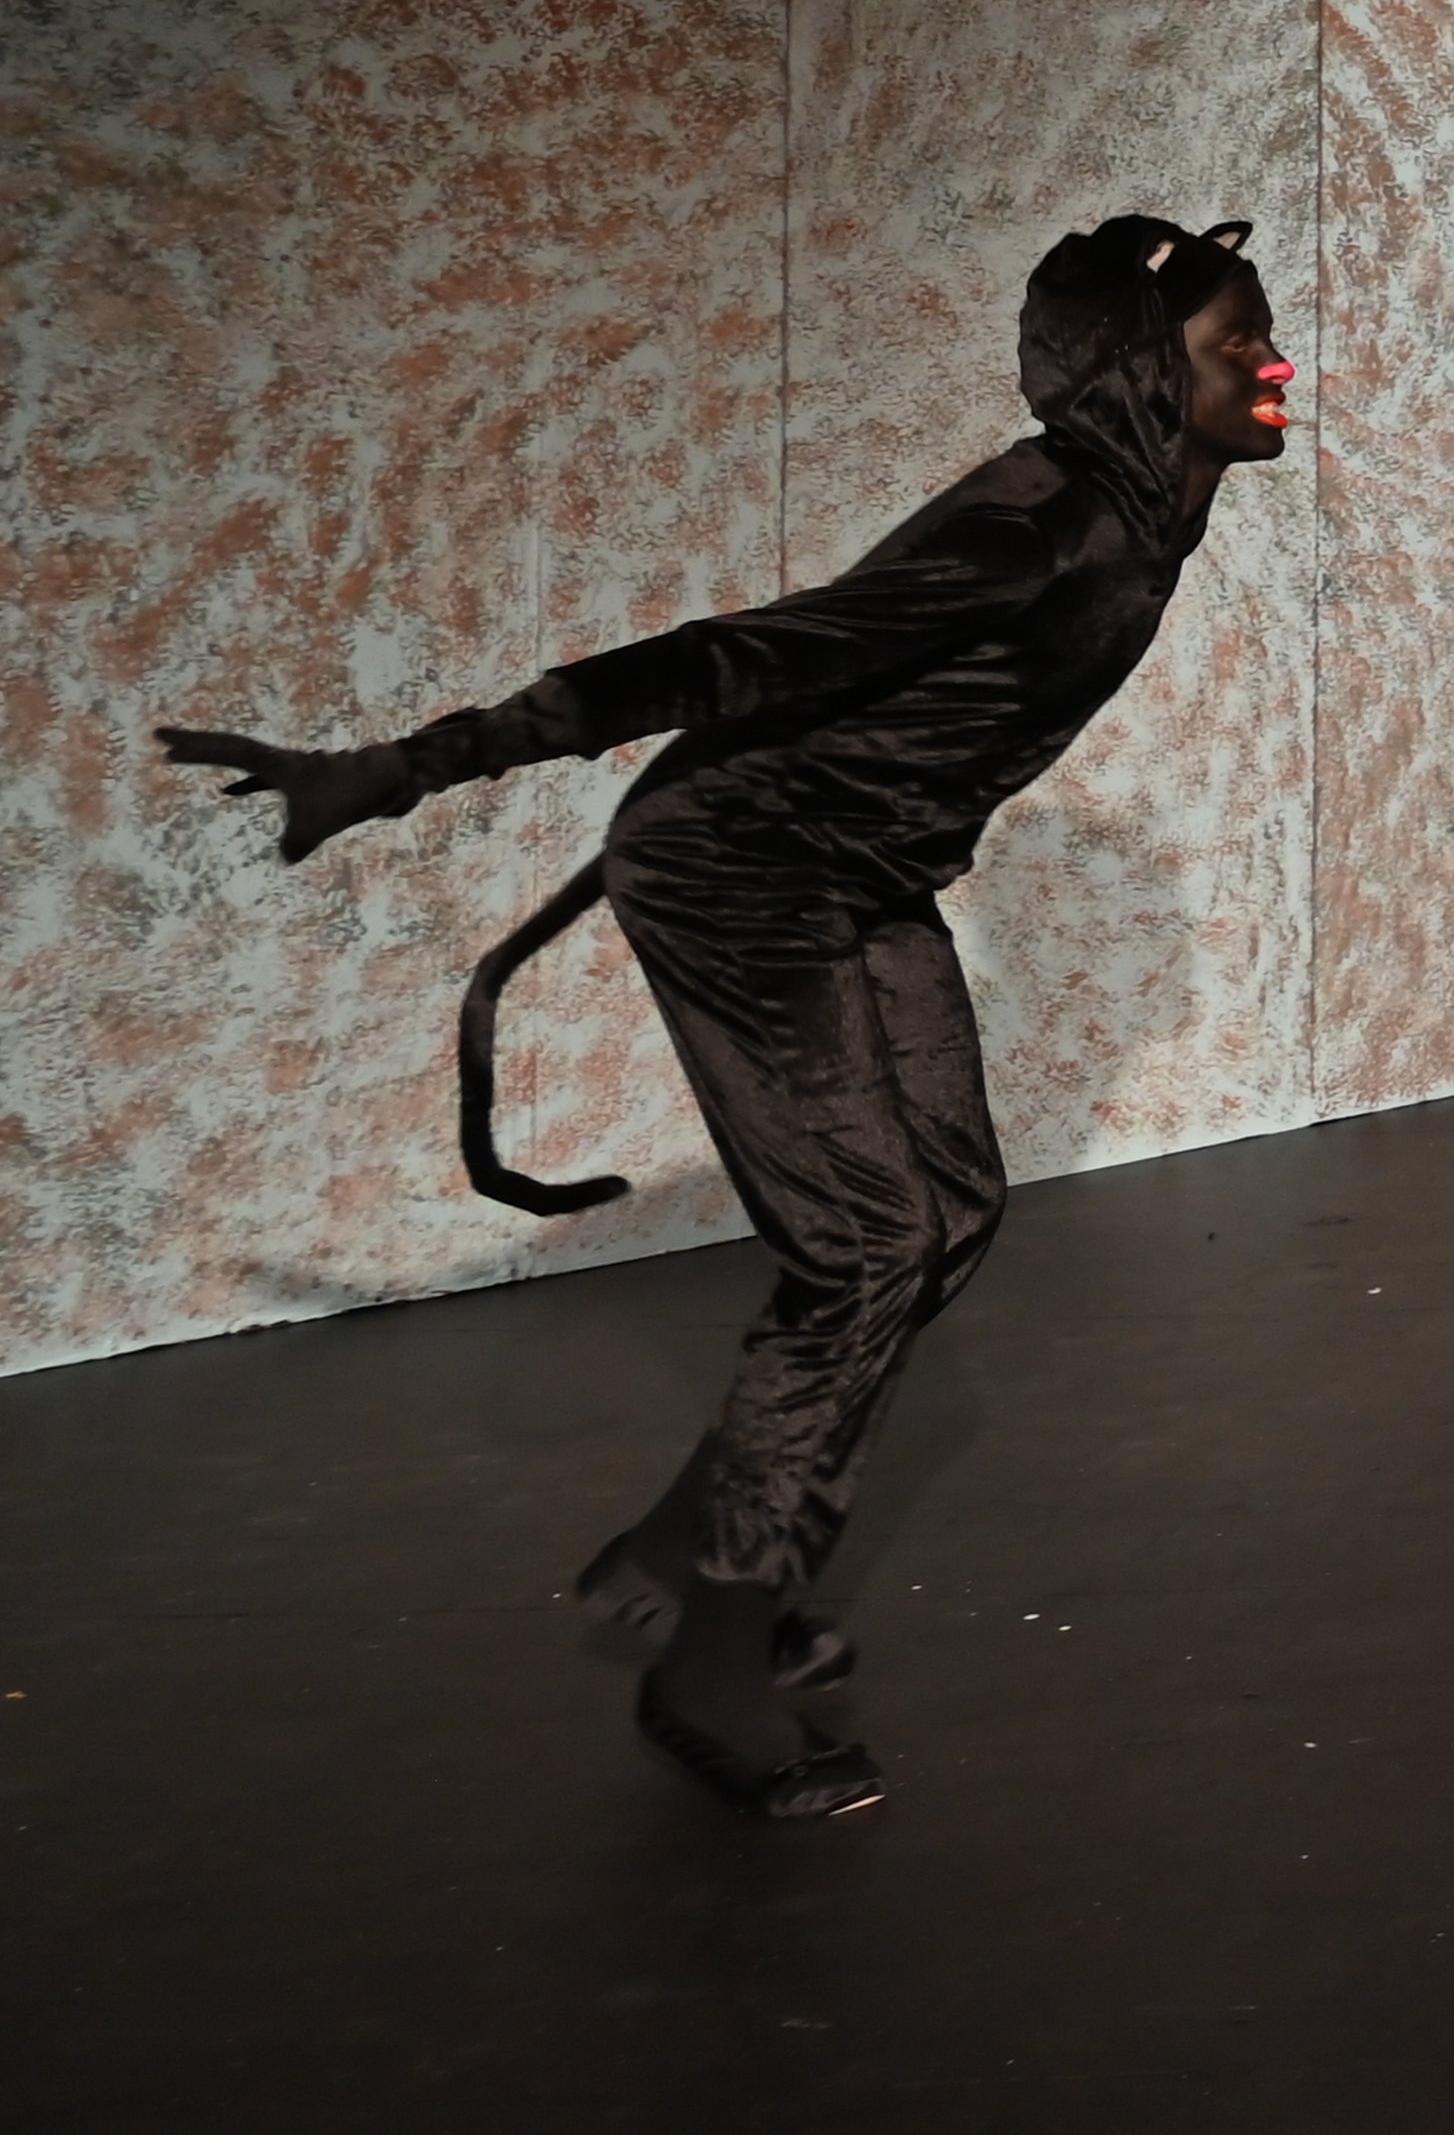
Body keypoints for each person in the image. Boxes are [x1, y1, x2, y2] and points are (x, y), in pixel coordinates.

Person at [157, 214, 1296, 1821]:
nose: (1270, 362)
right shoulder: (1038, 530)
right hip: (739, 868)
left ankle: (678, 1550)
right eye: (1234, 340)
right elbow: (728, 661)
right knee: (866, 1245)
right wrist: (409, 765)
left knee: (949, 1209)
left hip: (862, 869)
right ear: (1135, 377)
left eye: (1260, 331)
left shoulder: (1140, 511)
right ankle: (708, 1657)